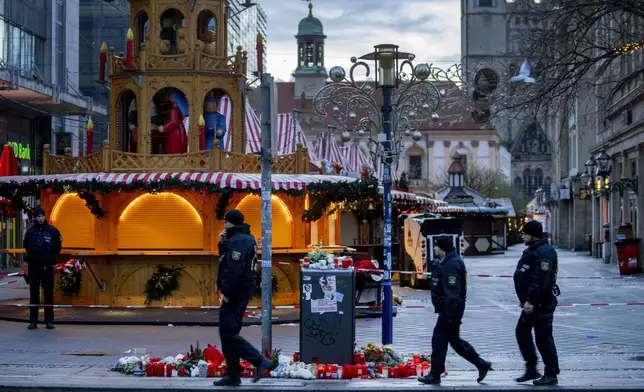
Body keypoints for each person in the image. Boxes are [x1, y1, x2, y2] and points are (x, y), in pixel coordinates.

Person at [418, 235, 492, 385]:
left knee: (438, 339)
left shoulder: (452, 264)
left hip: (450, 311)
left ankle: (434, 375)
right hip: (450, 310)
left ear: (442, 248)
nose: (434, 248)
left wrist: (449, 314)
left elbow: (452, 293)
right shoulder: (448, 261)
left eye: (436, 246)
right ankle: (481, 364)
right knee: (455, 342)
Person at [214, 209, 272, 386]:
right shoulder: (243, 238)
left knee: (228, 331)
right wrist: (223, 244)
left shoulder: (239, 240)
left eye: (225, 222)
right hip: (241, 289)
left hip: (236, 291)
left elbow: (234, 270)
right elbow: (229, 260)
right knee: (229, 331)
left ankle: (258, 360)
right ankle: (233, 374)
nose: (223, 225)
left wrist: (227, 293)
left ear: (230, 223)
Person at [513, 220, 560, 386]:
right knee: (522, 332)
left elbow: (541, 279)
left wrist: (530, 300)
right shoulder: (534, 249)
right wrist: (524, 299)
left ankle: (551, 374)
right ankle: (531, 368)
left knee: (543, 338)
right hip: (531, 303)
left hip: (541, 303)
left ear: (532, 234)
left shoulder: (545, 252)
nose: (522, 235)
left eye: (525, 233)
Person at [23, 207, 62, 330]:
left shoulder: (52, 231)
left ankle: (49, 321)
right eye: (38, 216)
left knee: (48, 293)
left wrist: (49, 257)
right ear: (35, 217)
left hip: (47, 265)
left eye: (42, 216)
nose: (40, 218)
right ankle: (33, 321)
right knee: (33, 293)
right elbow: (27, 246)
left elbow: (57, 247)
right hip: (34, 265)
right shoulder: (30, 232)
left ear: (45, 217)